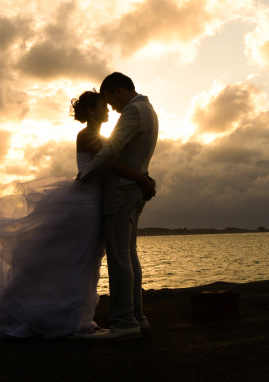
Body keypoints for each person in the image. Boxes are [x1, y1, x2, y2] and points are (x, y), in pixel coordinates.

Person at [0, 88, 155, 342]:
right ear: (91, 111)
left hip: (93, 203)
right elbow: (110, 162)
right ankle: (65, 318)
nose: (108, 110)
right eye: (103, 105)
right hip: (83, 205)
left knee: (85, 263)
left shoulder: (97, 135)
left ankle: (77, 318)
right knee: (75, 262)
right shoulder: (86, 135)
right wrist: (142, 179)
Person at [76, 72, 159, 341]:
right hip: (135, 190)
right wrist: (144, 178)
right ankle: (138, 317)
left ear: (118, 92)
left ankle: (124, 321)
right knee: (129, 254)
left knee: (119, 256)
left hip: (120, 192)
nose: (113, 109)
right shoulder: (149, 109)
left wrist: (84, 176)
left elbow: (111, 152)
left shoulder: (133, 111)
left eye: (111, 103)